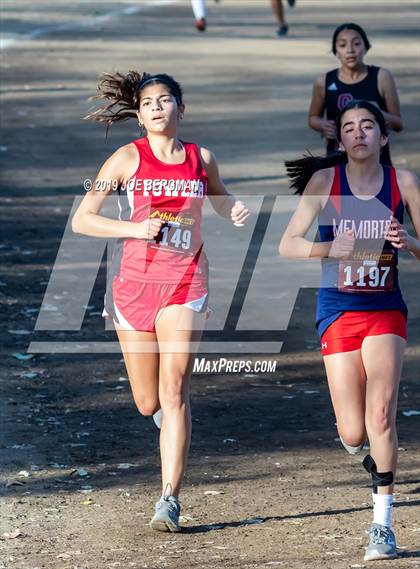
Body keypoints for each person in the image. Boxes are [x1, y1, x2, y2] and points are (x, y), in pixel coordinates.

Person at [72, 71, 250, 532]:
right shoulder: (126, 159)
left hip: (185, 283)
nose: (156, 107)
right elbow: (84, 220)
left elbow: (219, 199)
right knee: (147, 400)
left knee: (174, 392)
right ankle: (164, 421)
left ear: (180, 108)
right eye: (147, 102)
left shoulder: (200, 157)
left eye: (165, 99)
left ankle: (169, 498)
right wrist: (134, 228)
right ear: (138, 115)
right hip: (134, 286)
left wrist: (233, 209)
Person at [279, 100, 420, 561]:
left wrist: (409, 241)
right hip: (338, 309)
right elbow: (288, 246)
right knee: (354, 430)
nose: (358, 134)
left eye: (367, 126)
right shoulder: (326, 182)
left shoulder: (404, 183)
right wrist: (329, 248)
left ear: (383, 137)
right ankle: (367, 456)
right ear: (340, 141)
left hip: (385, 309)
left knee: (382, 418)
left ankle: (382, 525)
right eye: (349, 128)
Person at [308, 23, 403, 161]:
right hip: (338, 159)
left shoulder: (382, 77)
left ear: (366, 47)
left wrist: (378, 114)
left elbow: (398, 124)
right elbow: (313, 117)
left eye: (356, 43)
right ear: (335, 50)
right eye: (342, 45)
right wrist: (323, 125)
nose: (350, 50)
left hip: (377, 162)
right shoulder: (324, 81)